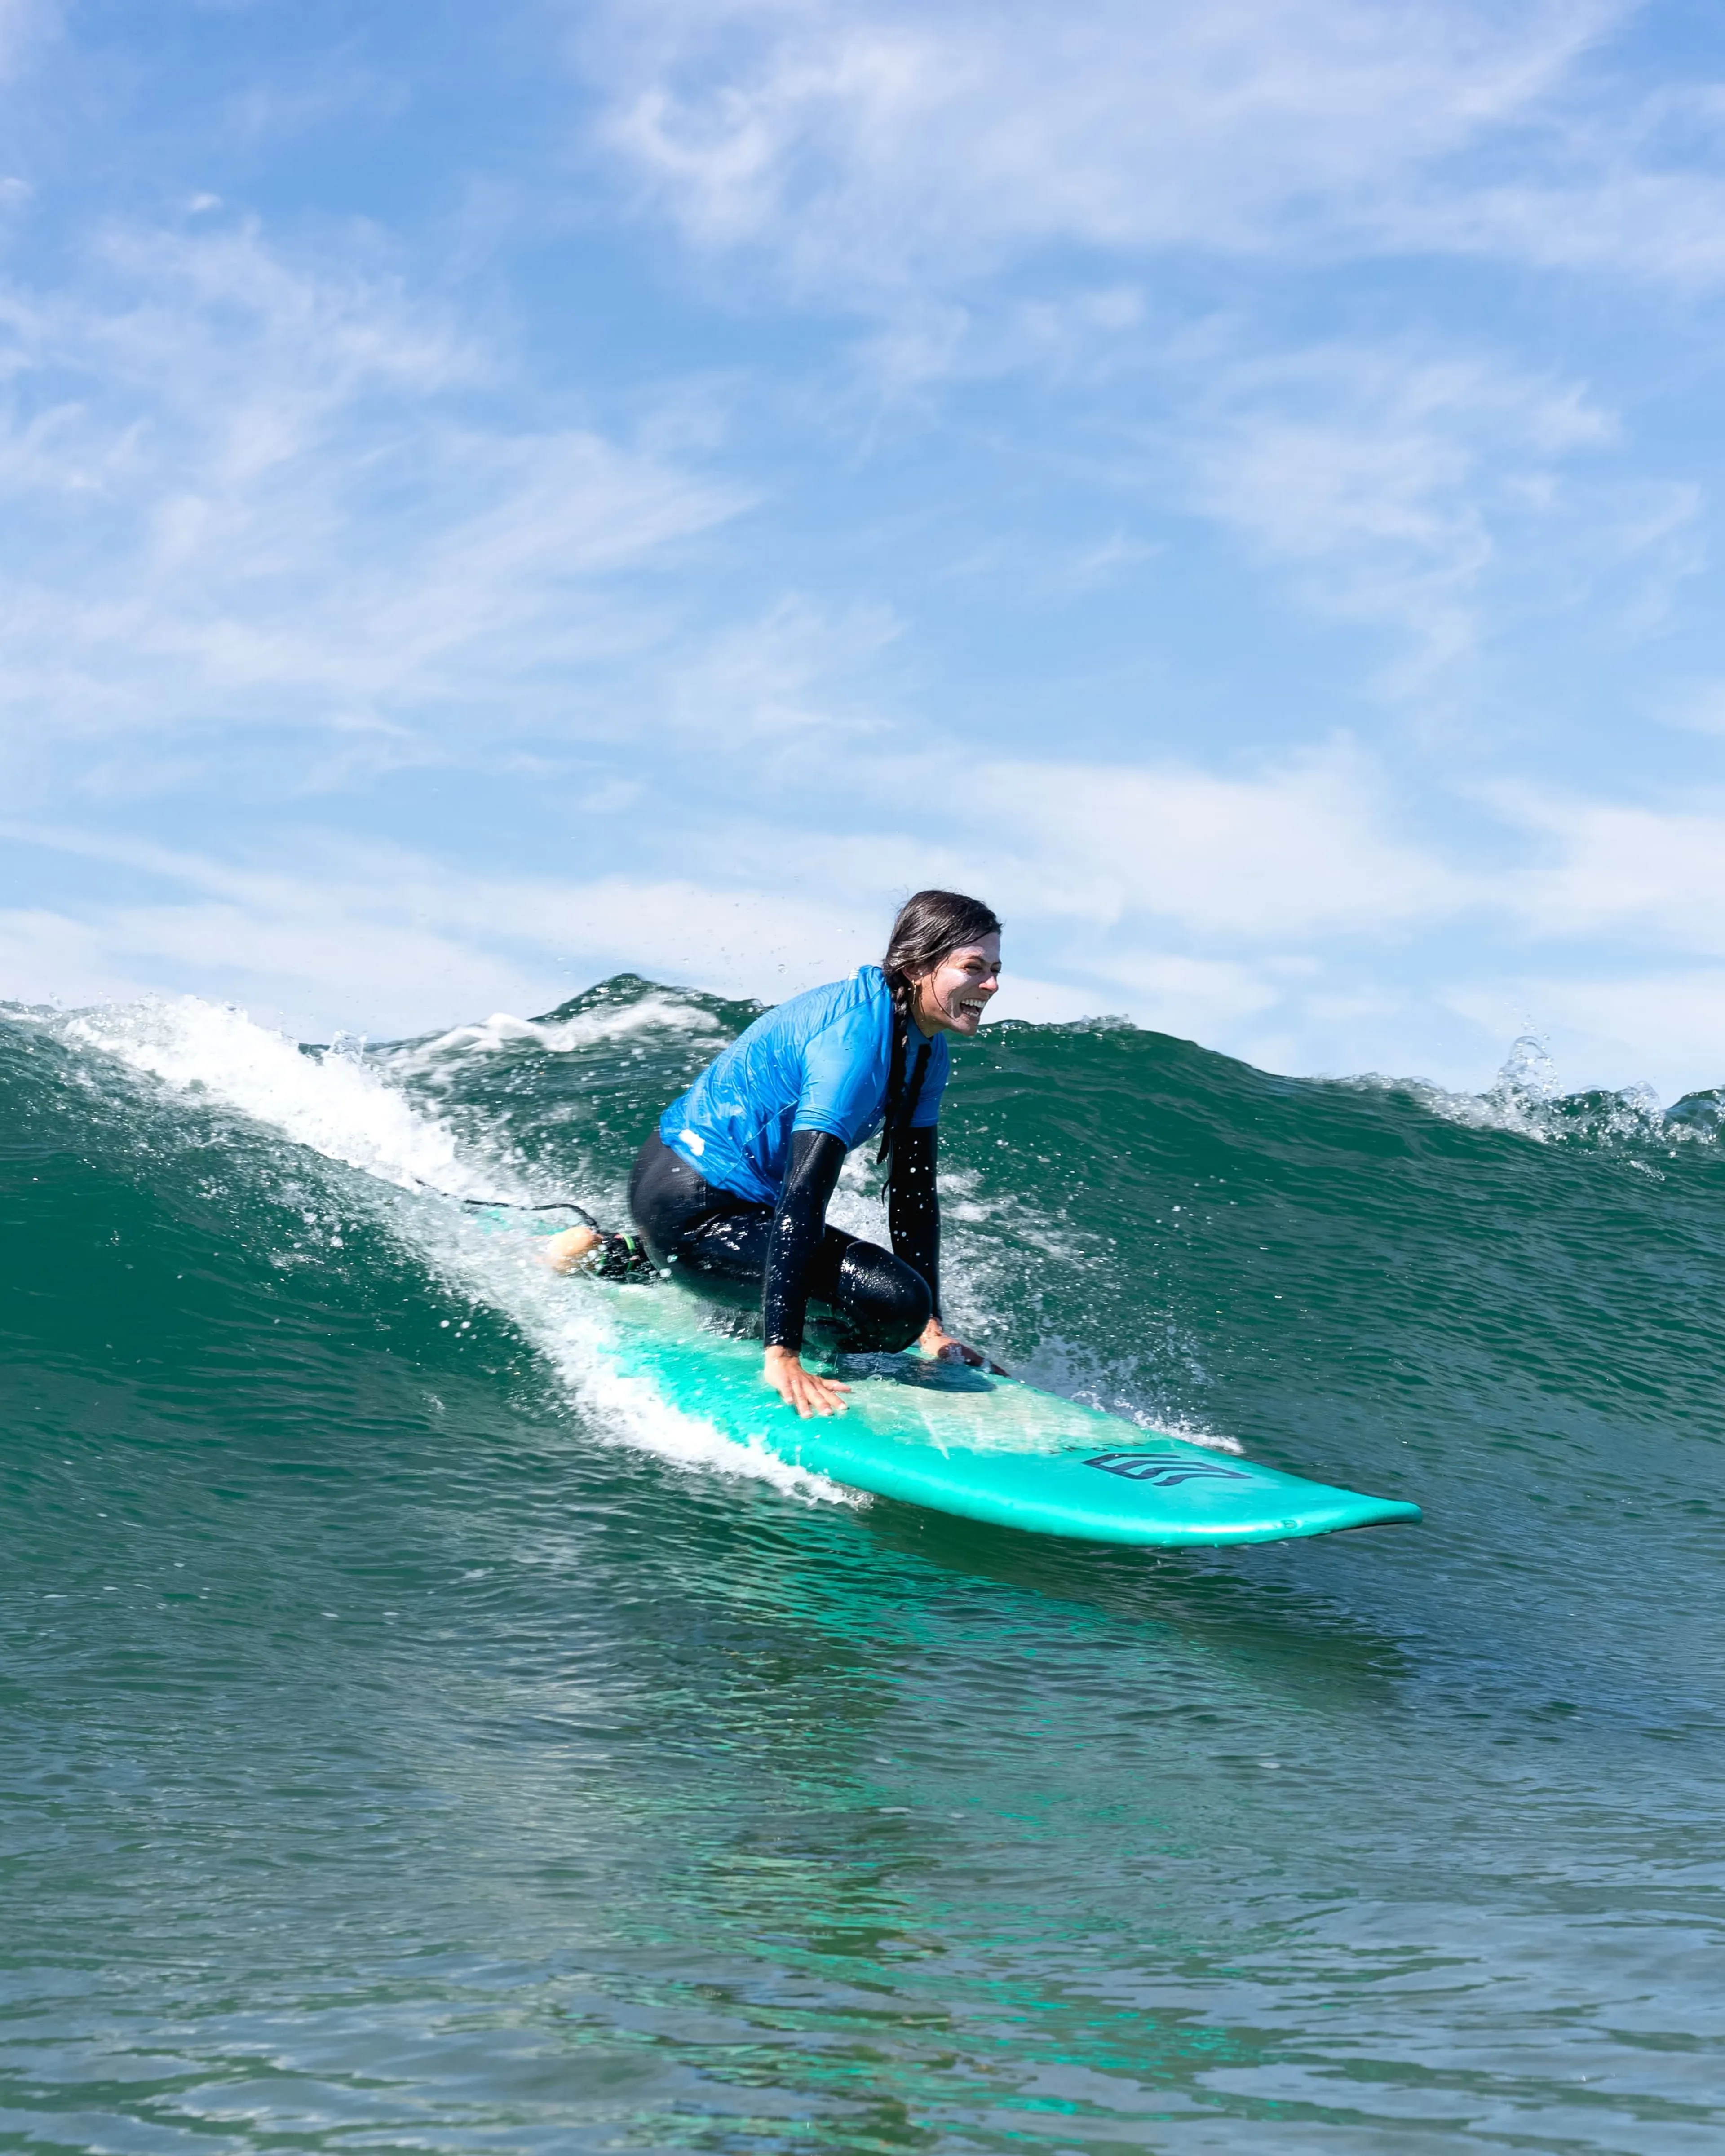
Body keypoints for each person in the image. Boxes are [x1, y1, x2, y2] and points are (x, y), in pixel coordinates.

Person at [549, 891, 1000, 1417]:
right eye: (973, 968)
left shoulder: (925, 1047)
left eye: (994, 969)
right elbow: (803, 1201)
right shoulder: (854, 1043)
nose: (990, 985)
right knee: (891, 1302)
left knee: (909, 1307)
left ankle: (622, 1255)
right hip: (690, 1201)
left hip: (714, 1195)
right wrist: (783, 1352)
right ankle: (688, 1273)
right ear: (918, 964)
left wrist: (932, 1331)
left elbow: (913, 1192)